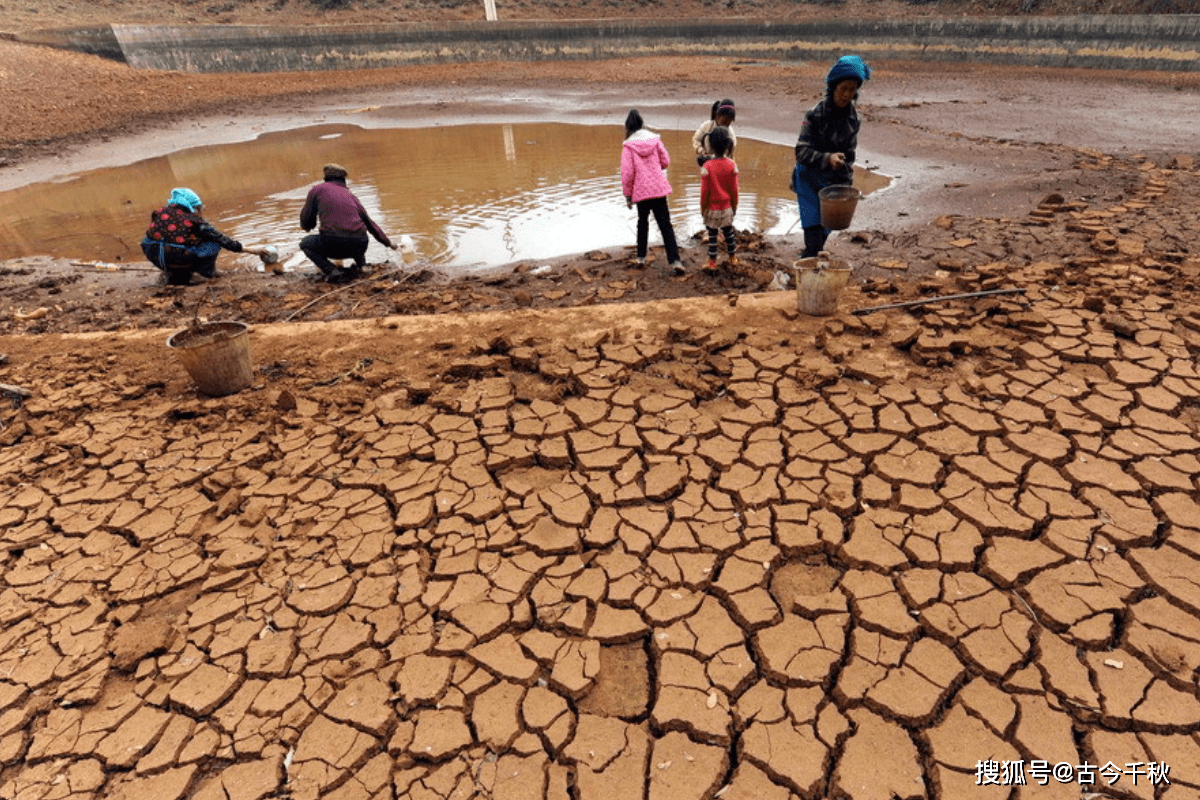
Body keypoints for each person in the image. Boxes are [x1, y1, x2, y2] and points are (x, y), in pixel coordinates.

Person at [792, 55, 870, 259]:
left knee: (827, 226)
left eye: (851, 90)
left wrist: (846, 187)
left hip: (832, 180)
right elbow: (801, 152)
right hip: (808, 176)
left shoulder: (854, 121)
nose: (846, 95)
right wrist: (827, 158)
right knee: (812, 224)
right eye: (843, 88)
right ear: (833, 87)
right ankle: (810, 256)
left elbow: (849, 158)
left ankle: (813, 254)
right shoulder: (814, 115)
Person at [141, 188, 267, 286]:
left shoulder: (159, 213)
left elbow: (161, 235)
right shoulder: (193, 219)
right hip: (178, 258)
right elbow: (222, 239)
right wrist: (253, 250)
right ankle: (205, 274)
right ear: (192, 206)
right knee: (213, 243)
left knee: (154, 242)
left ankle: (172, 272)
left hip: (155, 255)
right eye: (197, 208)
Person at [299, 163, 398, 282]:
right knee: (356, 230)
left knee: (305, 244)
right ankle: (362, 266)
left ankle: (332, 271)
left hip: (334, 244)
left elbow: (307, 221)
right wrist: (388, 243)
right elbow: (370, 224)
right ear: (343, 180)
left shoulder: (317, 190)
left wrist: (306, 226)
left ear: (326, 178)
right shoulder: (351, 195)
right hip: (360, 245)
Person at [621, 109, 685, 274]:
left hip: (641, 192)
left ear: (628, 127)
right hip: (658, 188)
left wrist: (628, 196)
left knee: (643, 223)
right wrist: (656, 168)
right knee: (666, 225)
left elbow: (627, 173)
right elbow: (665, 161)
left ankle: (641, 257)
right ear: (641, 123)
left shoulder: (629, 145)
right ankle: (675, 261)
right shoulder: (655, 139)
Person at [699, 126, 739, 272]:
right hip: (727, 207)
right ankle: (733, 257)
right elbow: (734, 190)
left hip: (712, 208)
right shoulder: (731, 165)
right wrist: (734, 207)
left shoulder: (707, 166)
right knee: (729, 233)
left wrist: (703, 208)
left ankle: (712, 262)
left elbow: (705, 192)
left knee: (712, 236)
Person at [692, 99, 737, 167]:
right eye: (724, 121)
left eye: (729, 122)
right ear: (717, 116)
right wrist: (701, 150)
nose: (725, 125)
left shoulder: (731, 135)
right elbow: (696, 139)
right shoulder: (707, 126)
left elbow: (730, 155)